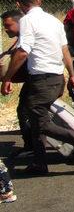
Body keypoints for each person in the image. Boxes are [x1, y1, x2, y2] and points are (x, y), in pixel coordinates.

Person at [1, 0, 74, 175]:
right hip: (56, 78)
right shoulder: (53, 21)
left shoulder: (27, 20)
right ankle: (39, 162)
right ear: (39, 0)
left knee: (40, 122)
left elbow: (22, 52)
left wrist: (7, 78)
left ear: (19, 5)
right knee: (35, 118)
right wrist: (73, 75)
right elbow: (65, 51)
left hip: (41, 79)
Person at [0, 10, 32, 159]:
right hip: (37, 79)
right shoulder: (21, 38)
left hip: (37, 79)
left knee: (25, 112)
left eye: (8, 25)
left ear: (20, 23)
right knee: (30, 112)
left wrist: (7, 78)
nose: (5, 29)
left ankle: (32, 147)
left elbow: (22, 57)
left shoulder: (25, 39)